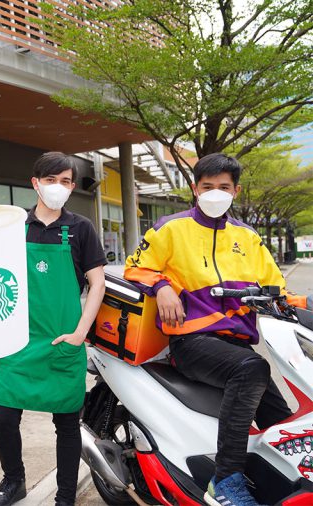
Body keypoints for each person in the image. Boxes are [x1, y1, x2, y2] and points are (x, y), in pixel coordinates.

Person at [124, 153, 310, 506]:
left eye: (223, 187)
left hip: (236, 345)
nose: (214, 193)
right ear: (194, 189)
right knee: (254, 369)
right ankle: (225, 481)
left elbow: (277, 289)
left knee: (280, 418)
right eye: (207, 187)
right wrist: (162, 286)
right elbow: (137, 267)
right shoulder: (171, 228)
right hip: (191, 340)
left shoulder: (248, 237)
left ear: (235, 191)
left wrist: (304, 305)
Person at [0, 152, 106, 506]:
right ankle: (13, 480)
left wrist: (81, 333)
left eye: (66, 181)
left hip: (62, 340)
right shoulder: (13, 225)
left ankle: (65, 497)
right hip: (17, 342)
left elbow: (96, 283)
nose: (59, 187)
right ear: (35, 182)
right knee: (3, 419)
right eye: (51, 180)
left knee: (67, 425)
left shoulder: (81, 228)